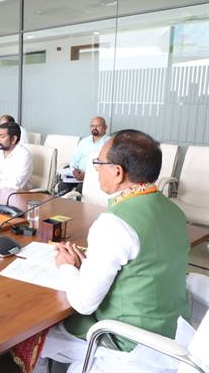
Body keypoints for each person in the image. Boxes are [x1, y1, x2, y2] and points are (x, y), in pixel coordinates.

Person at [34, 130, 190, 372]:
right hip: (173, 334)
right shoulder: (175, 212)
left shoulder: (114, 223)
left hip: (128, 343)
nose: (96, 169)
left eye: (99, 163)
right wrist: (88, 265)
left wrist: (66, 265)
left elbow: (83, 303)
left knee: (35, 334)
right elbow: (144, 266)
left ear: (117, 172)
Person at [58, 116, 109, 193]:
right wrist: (74, 171)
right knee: (62, 186)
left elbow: (107, 166)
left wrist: (87, 175)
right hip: (77, 176)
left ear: (105, 127)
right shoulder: (84, 141)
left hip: (94, 178)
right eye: (92, 126)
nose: (95, 128)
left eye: (98, 126)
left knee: (81, 188)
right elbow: (74, 159)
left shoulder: (109, 143)